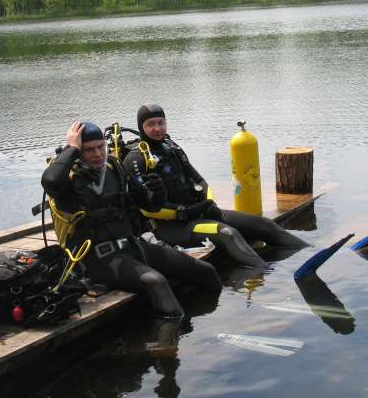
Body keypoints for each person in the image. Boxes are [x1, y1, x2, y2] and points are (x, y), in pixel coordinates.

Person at [41, 121, 222, 318]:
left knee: (205, 271)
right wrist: (71, 147)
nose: (98, 154)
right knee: (155, 281)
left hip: (132, 246)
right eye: (89, 150)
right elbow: (50, 181)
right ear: (77, 152)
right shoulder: (68, 179)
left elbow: (148, 205)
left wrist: (157, 193)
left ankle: (212, 324)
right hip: (96, 260)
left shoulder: (114, 167)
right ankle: (170, 338)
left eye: (101, 146)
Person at [123, 103, 307, 268]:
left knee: (263, 224)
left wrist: (209, 203)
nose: (157, 128)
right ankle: (267, 275)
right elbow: (148, 209)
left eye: (160, 123)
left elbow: (199, 180)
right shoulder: (136, 159)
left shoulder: (171, 147)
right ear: (141, 127)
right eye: (150, 124)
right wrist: (186, 212)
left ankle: (308, 252)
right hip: (169, 227)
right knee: (227, 233)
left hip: (199, 212)